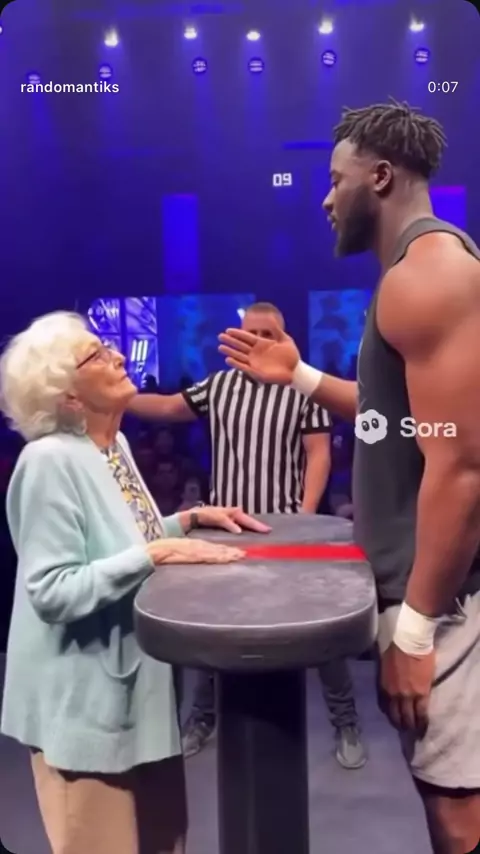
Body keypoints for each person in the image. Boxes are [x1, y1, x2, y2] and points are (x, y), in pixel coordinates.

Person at [218, 100, 480, 854]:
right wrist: (299, 374)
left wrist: (416, 629)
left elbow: (462, 466)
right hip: (436, 593)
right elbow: (393, 418)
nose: (325, 199)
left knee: (459, 812)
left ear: (381, 177)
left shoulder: (427, 275)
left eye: (336, 180)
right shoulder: (417, 273)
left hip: (449, 601)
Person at [0, 312, 270, 854]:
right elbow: (53, 590)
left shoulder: (112, 445)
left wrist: (186, 520)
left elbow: (121, 541)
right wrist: (157, 552)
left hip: (135, 702)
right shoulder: (48, 461)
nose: (119, 356)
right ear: (68, 395)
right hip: (84, 713)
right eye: (97, 355)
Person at [128, 301, 366, 770]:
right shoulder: (220, 385)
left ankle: (346, 722)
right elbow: (169, 406)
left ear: (284, 337)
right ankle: (202, 718)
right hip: (228, 527)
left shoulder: (302, 387)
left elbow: (318, 454)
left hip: (287, 528)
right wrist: (117, 399)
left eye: (267, 333)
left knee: (321, 630)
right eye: (249, 332)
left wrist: (304, 518)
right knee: (211, 626)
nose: (256, 340)